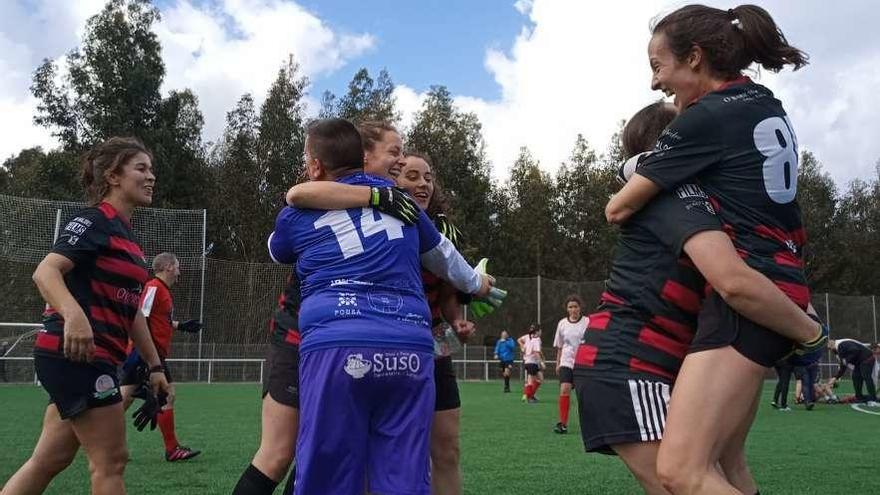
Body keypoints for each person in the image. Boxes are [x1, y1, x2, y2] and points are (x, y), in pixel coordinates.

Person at [604, 5, 826, 493]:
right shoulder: (764, 101)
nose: (654, 82)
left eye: (658, 66)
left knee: (683, 471)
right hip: (786, 278)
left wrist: (639, 165)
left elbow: (618, 210)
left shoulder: (702, 118)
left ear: (696, 57)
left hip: (749, 293)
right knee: (726, 463)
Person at [272, 118, 494, 494]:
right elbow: (446, 258)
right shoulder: (407, 208)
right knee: (403, 474)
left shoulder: (300, 209)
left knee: (328, 473)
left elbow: (277, 250)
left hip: (337, 344)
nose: (401, 159)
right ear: (363, 156)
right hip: (409, 346)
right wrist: (478, 283)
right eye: (396, 152)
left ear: (315, 165)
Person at [2, 137, 172, 495]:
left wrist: (155, 367)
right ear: (113, 176)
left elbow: (132, 313)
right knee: (111, 461)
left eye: (152, 169)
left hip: (90, 360)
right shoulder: (94, 221)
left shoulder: (129, 240)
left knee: (50, 459)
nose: (151, 176)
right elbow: (45, 272)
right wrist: (74, 315)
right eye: (141, 168)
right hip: (77, 355)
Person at [119, 252, 201, 462]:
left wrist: (181, 325)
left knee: (123, 400)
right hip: (147, 354)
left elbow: (156, 319)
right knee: (165, 395)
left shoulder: (161, 290)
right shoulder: (154, 287)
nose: (179, 272)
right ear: (168, 267)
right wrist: (147, 358)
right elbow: (140, 319)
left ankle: (103, 442)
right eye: (177, 267)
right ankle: (172, 449)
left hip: (150, 354)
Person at [232, 270, 301, 495]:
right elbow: (279, 247)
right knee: (277, 455)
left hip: (351, 342)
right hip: (297, 338)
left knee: (325, 450)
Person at [552, 295, 587, 434]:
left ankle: (589, 424)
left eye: (575, 306)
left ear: (580, 308)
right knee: (564, 389)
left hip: (582, 363)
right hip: (566, 361)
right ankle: (563, 424)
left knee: (582, 395)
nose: (573, 309)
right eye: (570, 307)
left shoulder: (587, 322)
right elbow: (560, 346)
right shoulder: (562, 324)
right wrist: (558, 363)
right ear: (567, 309)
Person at [828, 338, 878, 405]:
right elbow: (843, 366)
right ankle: (859, 397)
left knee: (866, 376)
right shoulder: (839, 351)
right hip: (859, 362)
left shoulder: (841, 345)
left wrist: (847, 359)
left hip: (867, 358)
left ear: (832, 345)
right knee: (855, 376)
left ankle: (873, 398)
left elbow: (855, 350)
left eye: (830, 348)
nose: (830, 350)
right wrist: (835, 377)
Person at [519, 325, 544, 404]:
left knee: (540, 378)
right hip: (531, 362)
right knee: (531, 380)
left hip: (529, 362)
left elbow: (537, 351)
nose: (541, 332)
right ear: (537, 331)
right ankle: (528, 397)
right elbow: (536, 352)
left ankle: (529, 395)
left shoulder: (530, 338)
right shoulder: (536, 339)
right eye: (540, 330)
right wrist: (541, 362)